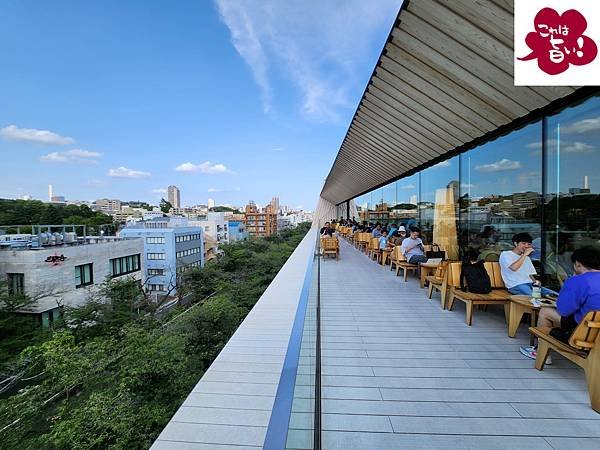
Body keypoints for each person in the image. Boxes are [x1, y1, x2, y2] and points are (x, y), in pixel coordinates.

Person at [519, 246, 600, 360]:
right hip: (596, 330)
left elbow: (564, 310)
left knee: (545, 311)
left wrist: (570, 283)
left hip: (584, 333)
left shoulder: (579, 280)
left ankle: (541, 352)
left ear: (577, 264)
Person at [499, 233, 558, 297]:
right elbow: (514, 268)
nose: (527, 246)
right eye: (523, 243)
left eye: (529, 244)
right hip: (516, 285)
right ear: (516, 244)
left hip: (531, 284)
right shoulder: (506, 254)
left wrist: (536, 281)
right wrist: (524, 255)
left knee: (556, 296)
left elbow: (531, 274)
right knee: (535, 297)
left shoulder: (527, 258)